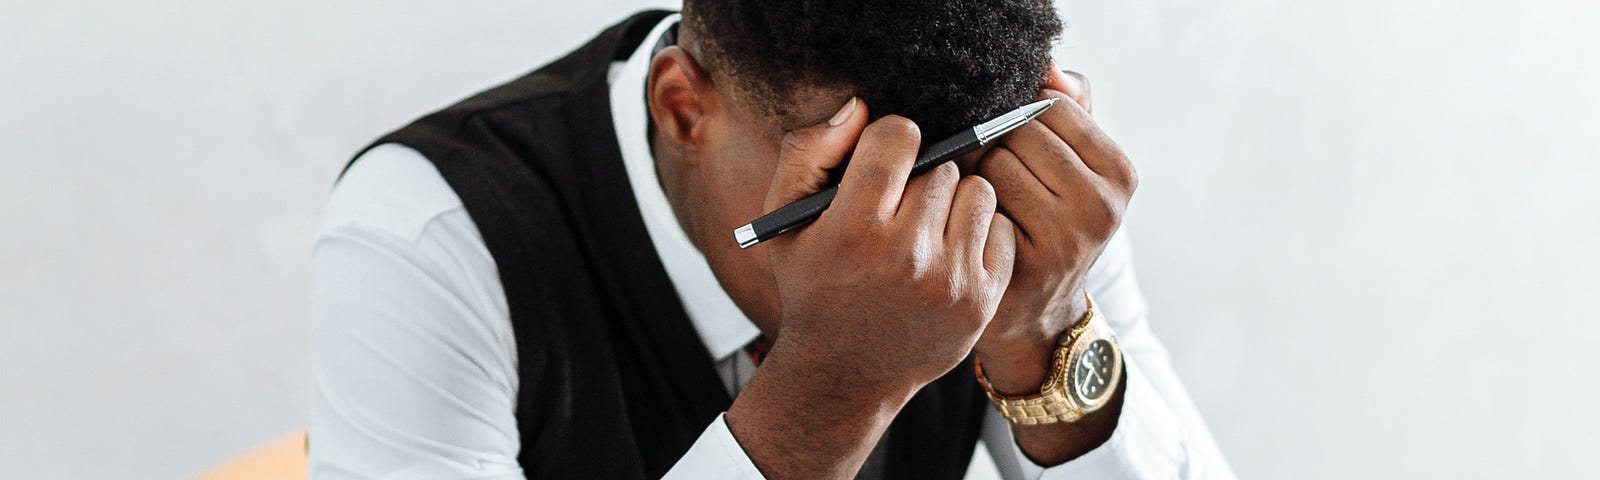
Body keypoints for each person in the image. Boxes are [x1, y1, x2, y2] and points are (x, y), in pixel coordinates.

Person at [309, 2, 1234, 479]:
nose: (916, 242)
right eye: (843, 185)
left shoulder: (1018, 177)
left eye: (964, 168)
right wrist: (831, 389)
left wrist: (1048, 333)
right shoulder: (429, 232)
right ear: (683, 106)